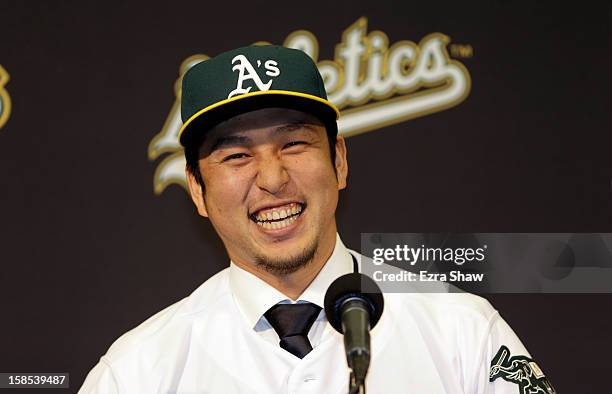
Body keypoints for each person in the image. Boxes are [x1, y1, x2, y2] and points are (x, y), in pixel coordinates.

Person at [79, 45, 555, 394]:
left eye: (294, 144)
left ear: (340, 161)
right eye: (237, 155)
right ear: (197, 190)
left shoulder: (461, 331)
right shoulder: (137, 372)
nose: (272, 177)